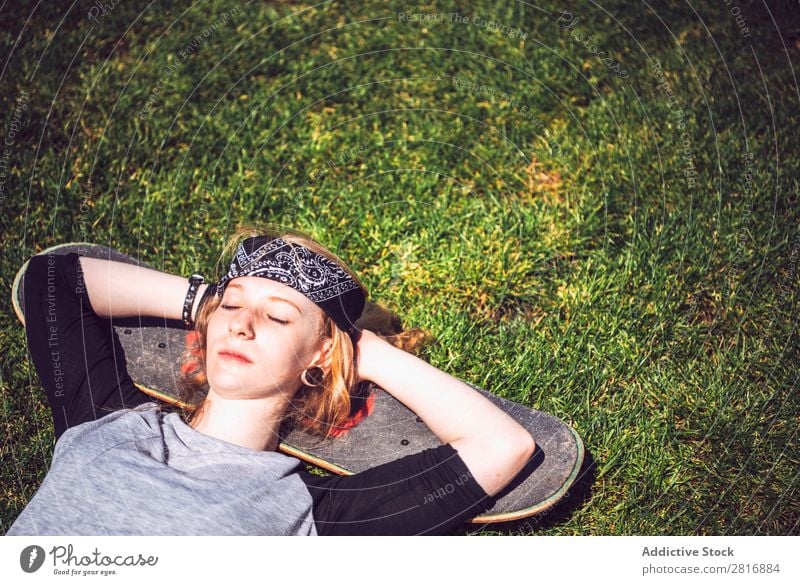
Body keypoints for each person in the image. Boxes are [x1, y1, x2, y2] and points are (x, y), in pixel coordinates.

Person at [6, 224, 535, 536]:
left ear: (320, 354)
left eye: (278, 318)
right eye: (232, 306)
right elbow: (51, 279)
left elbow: (503, 445)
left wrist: (359, 351)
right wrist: (204, 302)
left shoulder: (310, 514)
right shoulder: (105, 424)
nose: (241, 322)